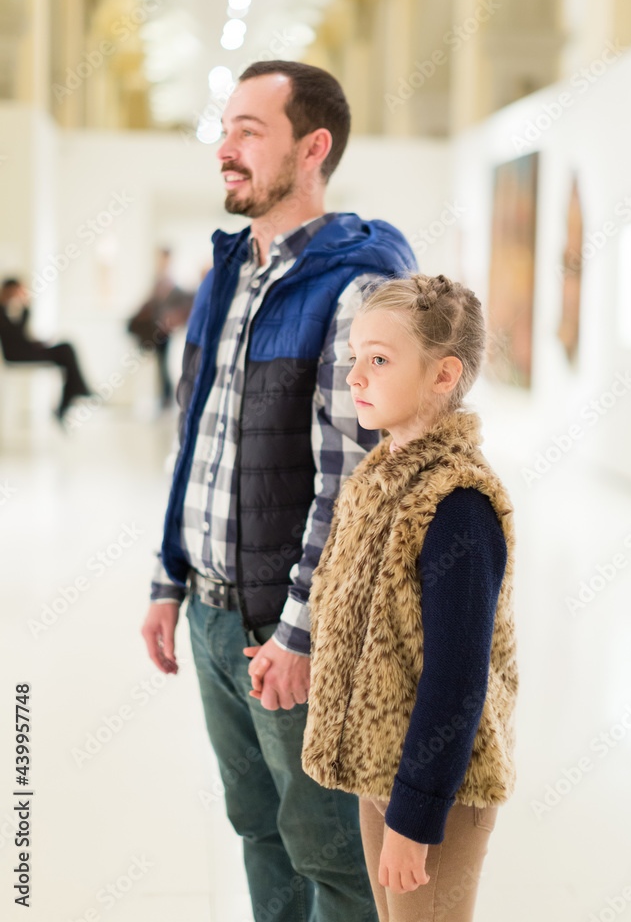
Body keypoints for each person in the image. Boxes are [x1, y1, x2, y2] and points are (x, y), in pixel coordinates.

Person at [140, 60, 418, 922]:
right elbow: (197, 438)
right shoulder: (228, 272)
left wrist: (299, 635)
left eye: (249, 131)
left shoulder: (355, 286)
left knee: (330, 855)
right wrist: (168, 578)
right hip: (212, 614)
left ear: (312, 148)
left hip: (289, 632)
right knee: (257, 828)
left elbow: (350, 486)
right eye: (224, 130)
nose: (224, 149)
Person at [285, 272, 519, 922]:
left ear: (443, 375)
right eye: (353, 356)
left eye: (379, 360)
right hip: (379, 769)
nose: (354, 376)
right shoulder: (377, 479)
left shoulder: (458, 504)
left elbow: (456, 679)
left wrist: (414, 819)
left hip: (437, 788)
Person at [0, 277, 92, 422]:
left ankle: (73, 393)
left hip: (26, 350)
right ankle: (76, 391)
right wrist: (24, 307)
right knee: (65, 350)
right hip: (17, 355)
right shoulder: (3, 311)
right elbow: (13, 337)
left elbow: (20, 334)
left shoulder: (12, 311)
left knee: (65, 351)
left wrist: (25, 309)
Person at [127, 248, 194, 409]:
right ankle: (164, 397)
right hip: (155, 329)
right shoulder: (157, 282)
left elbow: (183, 305)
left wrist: (172, 318)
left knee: (163, 365)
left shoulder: (173, 284)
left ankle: (166, 397)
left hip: (164, 331)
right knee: (159, 365)